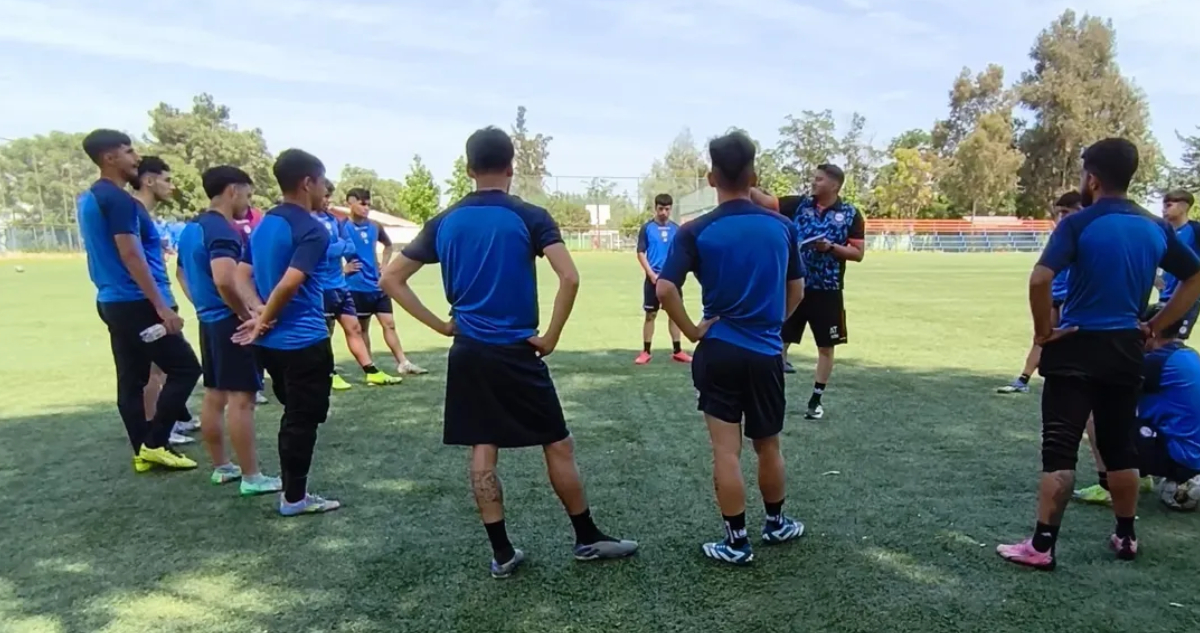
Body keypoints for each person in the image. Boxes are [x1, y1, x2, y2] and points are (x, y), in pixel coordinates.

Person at [380, 126, 637, 579]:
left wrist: (442, 325)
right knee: (557, 442)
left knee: (484, 445)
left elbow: (391, 279)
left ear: (468, 169)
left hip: (469, 352)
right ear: (511, 167)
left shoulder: (445, 220)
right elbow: (569, 276)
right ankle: (586, 537)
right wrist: (551, 336)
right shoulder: (529, 215)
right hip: (516, 351)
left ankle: (501, 553)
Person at [997, 138, 1200, 570]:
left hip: (1076, 344)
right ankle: (1126, 536)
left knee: (1059, 449)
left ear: (1091, 178)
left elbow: (1039, 279)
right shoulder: (1156, 227)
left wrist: (1043, 332)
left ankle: (1042, 546)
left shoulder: (1079, 223)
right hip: (1126, 347)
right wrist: (1156, 325)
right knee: (1119, 446)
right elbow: (1195, 276)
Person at [656, 131, 806, 565]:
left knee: (726, 450)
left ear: (711, 178)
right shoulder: (783, 227)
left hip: (719, 349)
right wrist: (772, 324)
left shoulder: (696, 230)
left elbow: (665, 289)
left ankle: (736, 542)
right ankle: (776, 524)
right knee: (768, 444)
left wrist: (693, 331)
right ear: (754, 176)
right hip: (766, 353)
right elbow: (797, 289)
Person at [76, 130, 201, 473]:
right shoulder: (118, 199)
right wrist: (160, 306)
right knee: (186, 368)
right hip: (135, 302)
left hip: (111, 301)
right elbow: (131, 254)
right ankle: (156, 442)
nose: (136, 158)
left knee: (132, 378)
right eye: (129, 151)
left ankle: (142, 452)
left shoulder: (90, 198)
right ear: (109, 158)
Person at [235, 148, 341, 516]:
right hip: (303, 341)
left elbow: (240, 275)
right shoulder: (311, 228)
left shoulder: (265, 223)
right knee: (301, 420)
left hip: (271, 345)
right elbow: (290, 283)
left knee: (294, 415)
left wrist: (258, 312)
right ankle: (294, 498)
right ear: (307, 182)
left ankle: (294, 492)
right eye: (323, 182)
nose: (326, 189)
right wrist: (264, 316)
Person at [175, 165, 282, 496]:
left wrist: (202, 304)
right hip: (229, 323)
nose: (248, 203)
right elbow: (224, 279)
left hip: (209, 321)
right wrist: (245, 314)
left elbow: (181, 274)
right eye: (247, 195)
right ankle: (252, 477)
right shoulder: (222, 230)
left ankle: (223, 467)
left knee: (215, 394)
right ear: (232, 190)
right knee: (242, 399)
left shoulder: (192, 228)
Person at [752, 165, 864, 420]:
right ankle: (774, 398)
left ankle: (816, 399)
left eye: (819, 179)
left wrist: (831, 247)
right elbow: (768, 203)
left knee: (826, 346)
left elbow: (858, 253)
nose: (813, 182)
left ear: (834, 185)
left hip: (828, 290)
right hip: (794, 286)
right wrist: (745, 184)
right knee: (779, 340)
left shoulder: (850, 214)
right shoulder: (798, 204)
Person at [1073, 304, 1200, 510]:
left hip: (1180, 458)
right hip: (1191, 454)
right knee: (1129, 406)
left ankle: (1109, 487)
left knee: (1096, 412)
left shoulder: (1156, 362)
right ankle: (1140, 476)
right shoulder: (1188, 355)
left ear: (1152, 330)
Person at [131, 156, 199, 445]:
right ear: (149, 180)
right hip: (152, 300)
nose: (172, 186)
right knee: (157, 369)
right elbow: (131, 260)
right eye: (167, 180)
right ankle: (157, 430)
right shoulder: (133, 213)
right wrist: (158, 304)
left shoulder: (145, 216)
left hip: (161, 297)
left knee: (162, 368)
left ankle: (170, 421)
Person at [313, 181, 403, 390]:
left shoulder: (333, 220)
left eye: (329, 196)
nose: (327, 201)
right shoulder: (309, 221)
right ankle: (329, 373)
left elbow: (348, 247)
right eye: (324, 196)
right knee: (325, 333)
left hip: (340, 286)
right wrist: (336, 248)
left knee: (354, 328)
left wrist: (334, 247)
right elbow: (319, 250)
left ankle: (371, 372)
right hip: (322, 286)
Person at [998, 191, 1084, 394]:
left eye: (1066, 212)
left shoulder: (1085, 236)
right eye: (1059, 213)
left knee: (1071, 341)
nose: (1061, 218)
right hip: (1053, 294)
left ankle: (1073, 384)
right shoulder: (1061, 234)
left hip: (1071, 296)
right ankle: (1023, 380)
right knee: (1042, 336)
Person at [343, 187, 426, 375]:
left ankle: (403, 363)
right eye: (362, 204)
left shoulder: (375, 226)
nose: (366, 208)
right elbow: (326, 250)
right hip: (357, 286)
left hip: (378, 284)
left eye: (369, 205)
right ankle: (370, 368)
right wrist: (343, 269)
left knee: (389, 324)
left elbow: (388, 245)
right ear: (350, 203)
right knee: (362, 329)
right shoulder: (342, 227)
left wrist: (385, 265)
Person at [633, 193, 691, 365]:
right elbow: (640, 252)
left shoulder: (676, 229)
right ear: (655, 208)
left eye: (667, 209)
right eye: (660, 209)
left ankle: (678, 351)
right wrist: (651, 274)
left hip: (671, 279)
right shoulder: (647, 228)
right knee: (650, 315)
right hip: (653, 279)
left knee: (674, 314)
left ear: (670, 209)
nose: (663, 212)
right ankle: (646, 351)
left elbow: (681, 254)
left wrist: (676, 273)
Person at [233, 205, 270, 405]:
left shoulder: (257, 218)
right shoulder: (224, 227)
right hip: (241, 295)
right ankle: (250, 385)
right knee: (247, 340)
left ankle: (257, 381)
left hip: (256, 290)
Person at [1157, 189, 1200, 338]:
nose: (1163, 210)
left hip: (1186, 298)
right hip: (1164, 297)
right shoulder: (1163, 232)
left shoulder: (1195, 230)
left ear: (1183, 207)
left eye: (1168, 205)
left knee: (1174, 341)